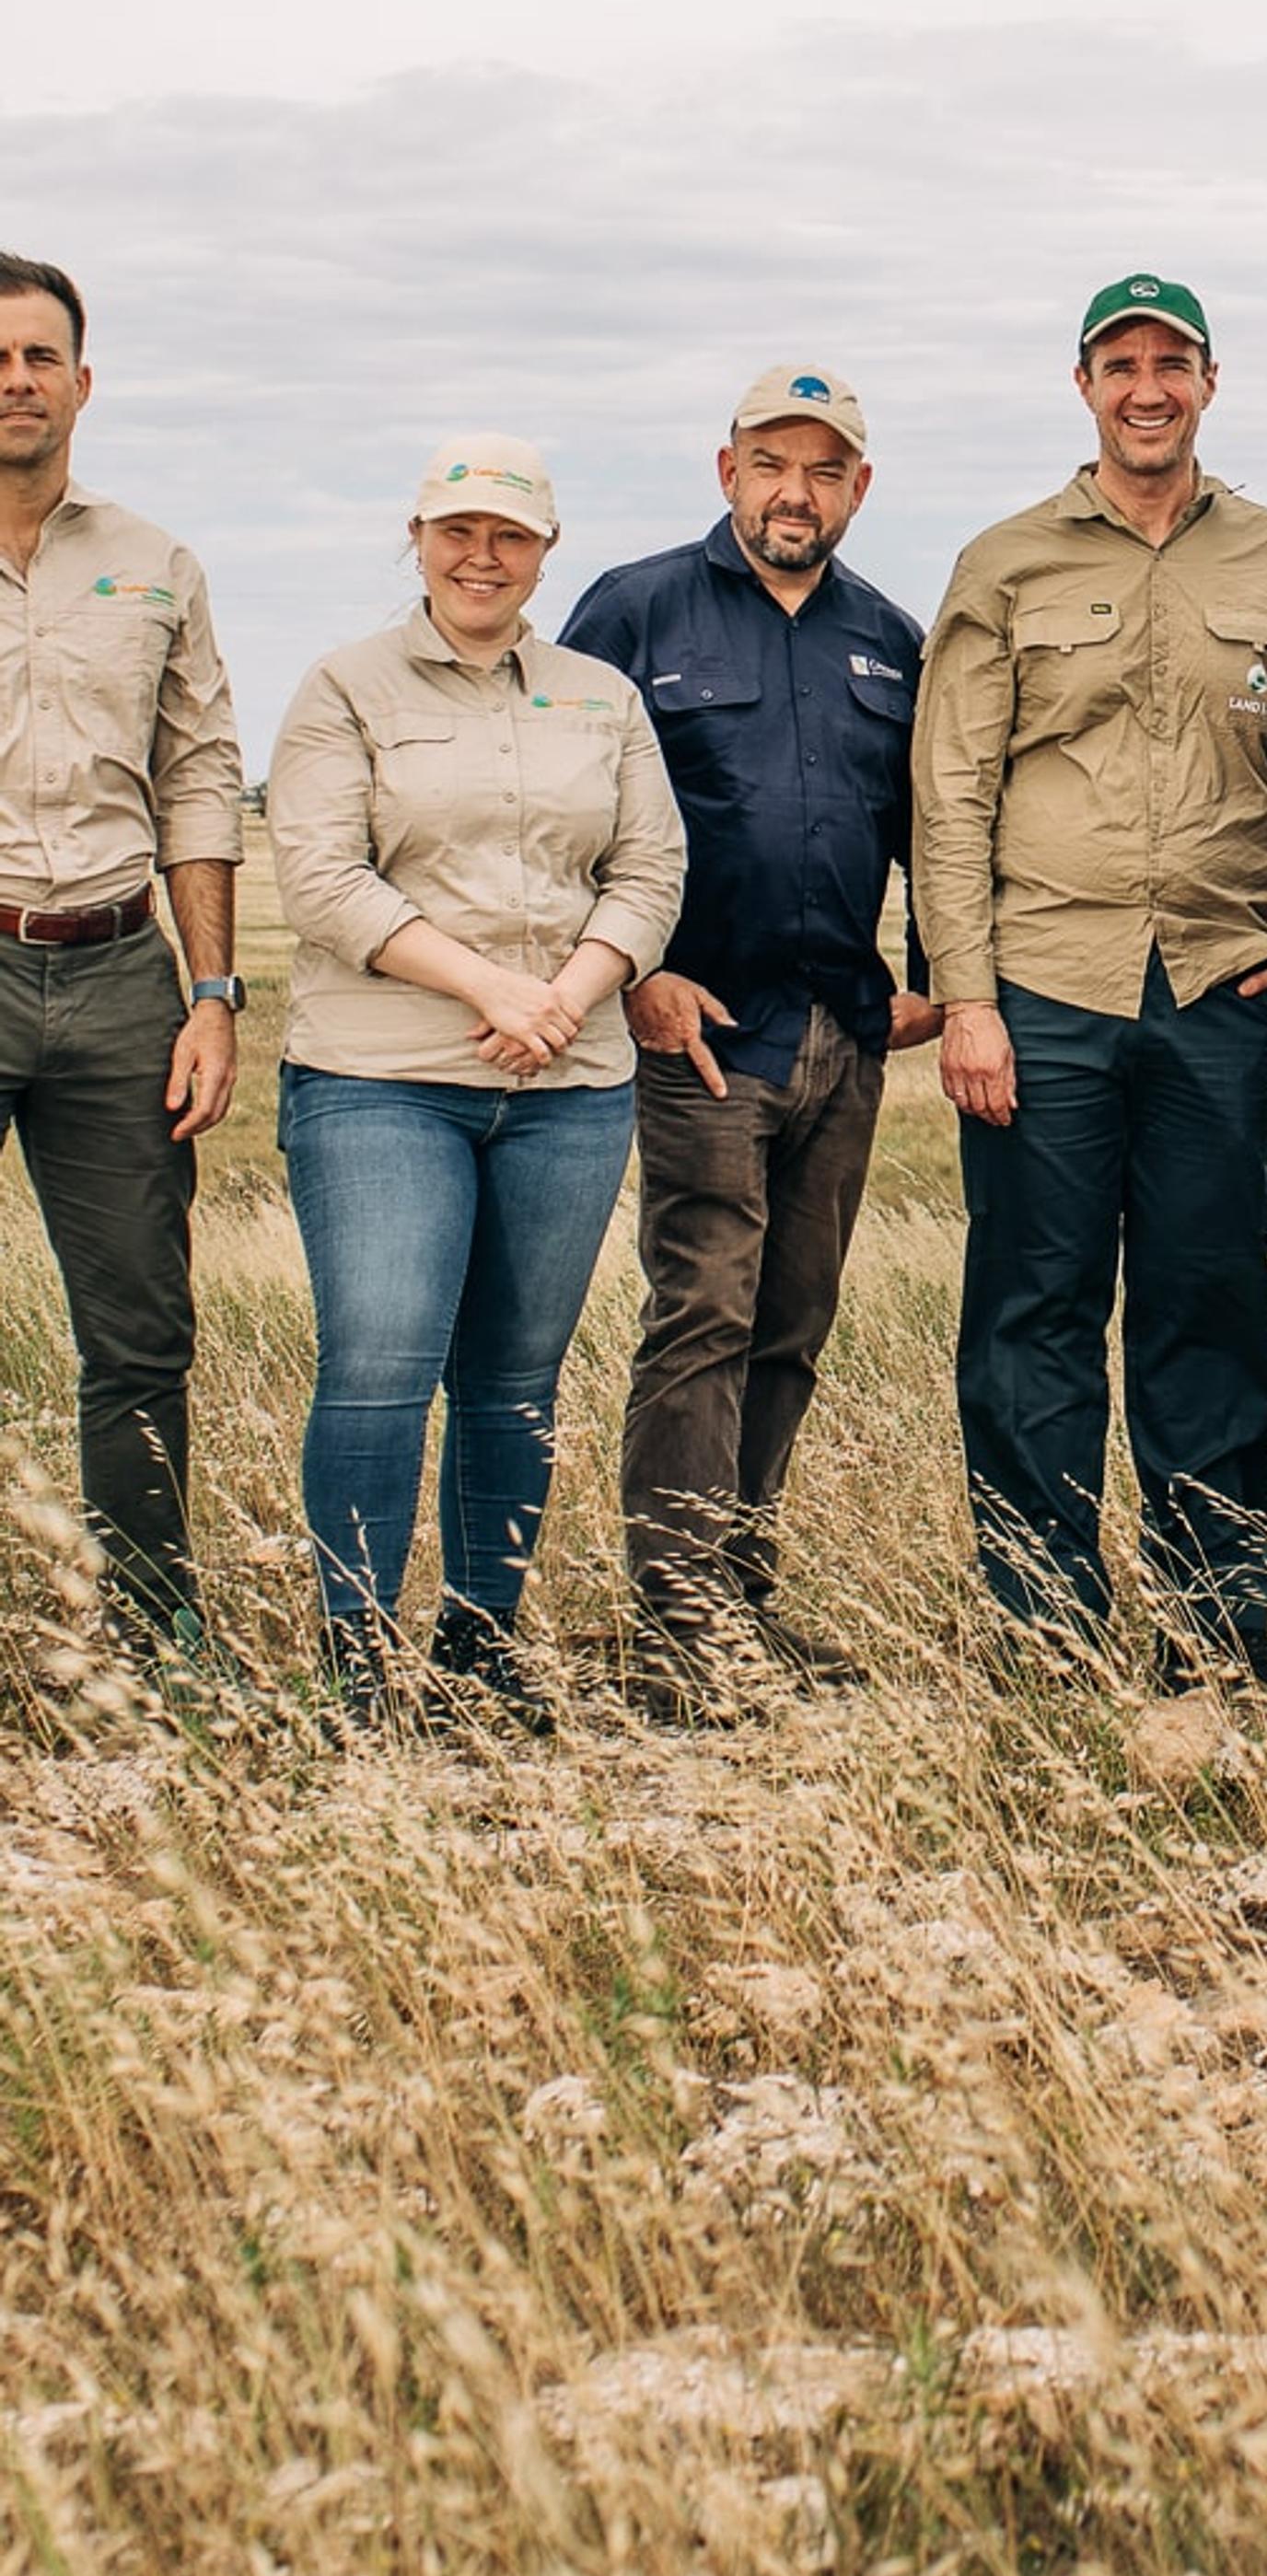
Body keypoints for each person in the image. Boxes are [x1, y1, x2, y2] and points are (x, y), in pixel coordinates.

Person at [912, 274, 1267, 1688]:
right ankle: (1046, 1627)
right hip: (1045, 988)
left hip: (1224, 984)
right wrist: (966, 998)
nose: (1146, 387)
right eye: (1119, 363)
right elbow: (951, 787)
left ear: (1210, 380)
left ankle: (1220, 1624)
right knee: (1035, 1305)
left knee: (1209, 1300)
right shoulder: (1006, 562)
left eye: (1172, 362)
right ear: (1083, 384)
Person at [266, 435, 684, 1728]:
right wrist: (492, 988)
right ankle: (359, 1662)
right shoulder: (344, 686)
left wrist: (567, 993)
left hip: (569, 1082)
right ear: (419, 537)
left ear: (545, 551)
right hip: (383, 1076)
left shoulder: (600, 695)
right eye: (458, 531)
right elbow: (325, 878)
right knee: (383, 1360)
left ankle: (481, 1644)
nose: (482, 557)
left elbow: (651, 868)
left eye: (509, 535)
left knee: (514, 1378)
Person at [563, 364, 938, 1712]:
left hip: (843, 1031)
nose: (798, 489)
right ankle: (680, 1619)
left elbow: (929, 823)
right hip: (704, 1031)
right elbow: (568, 805)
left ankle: (743, 1594)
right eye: (773, 462)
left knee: (792, 1319)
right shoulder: (634, 606)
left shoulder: (891, 637)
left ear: (859, 487)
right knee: (704, 1307)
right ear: (728, 471)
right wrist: (637, 977)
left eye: (825, 467)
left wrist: (932, 979)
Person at [0, 254, 244, 1665]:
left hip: (115, 973)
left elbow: (200, 782)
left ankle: (156, 1643)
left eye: (42, 355)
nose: (18, 378)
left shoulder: (155, 564)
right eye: (0, 355)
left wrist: (210, 996)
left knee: (141, 1335)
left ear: (83, 384)